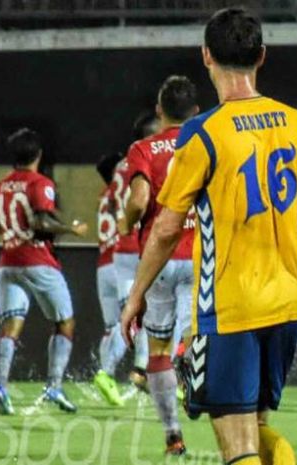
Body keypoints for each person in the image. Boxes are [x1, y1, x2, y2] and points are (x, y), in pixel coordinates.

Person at [121, 8, 297, 465]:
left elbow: (165, 227)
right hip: (287, 303)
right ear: (261, 56)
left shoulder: (203, 133)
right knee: (256, 433)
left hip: (229, 308)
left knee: (236, 448)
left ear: (206, 57)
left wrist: (137, 293)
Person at [120, 75, 199, 455]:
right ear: (196, 112)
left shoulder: (143, 148)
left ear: (158, 110)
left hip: (158, 258)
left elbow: (139, 198)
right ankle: (191, 354)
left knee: (156, 353)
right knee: (194, 330)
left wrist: (126, 222)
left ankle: (172, 434)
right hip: (201, 254)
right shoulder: (205, 144)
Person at [0, 128, 88, 415]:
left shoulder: (2, 186)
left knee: (10, 327)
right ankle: (54, 385)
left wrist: (12, 226)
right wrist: (71, 229)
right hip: (38, 261)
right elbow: (42, 221)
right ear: (38, 155)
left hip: (9, 262)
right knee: (64, 322)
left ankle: (1, 388)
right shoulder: (40, 183)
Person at [91, 113, 157, 406]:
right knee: (150, 315)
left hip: (118, 251)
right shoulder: (151, 156)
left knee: (128, 317)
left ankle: (120, 372)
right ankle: (135, 369)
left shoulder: (121, 165)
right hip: (140, 245)